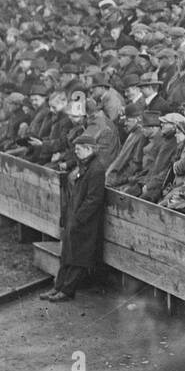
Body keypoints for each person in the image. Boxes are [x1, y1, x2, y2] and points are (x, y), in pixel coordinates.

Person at [40, 127, 111, 302]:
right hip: (75, 218)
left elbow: (94, 199)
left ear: (88, 149)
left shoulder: (96, 169)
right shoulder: (85, 166)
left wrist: (79, 218)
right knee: (67, 255)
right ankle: (58, 287)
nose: (75, 152)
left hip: (85, 222)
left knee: (78, 257)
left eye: (78, 149)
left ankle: (67, 290)